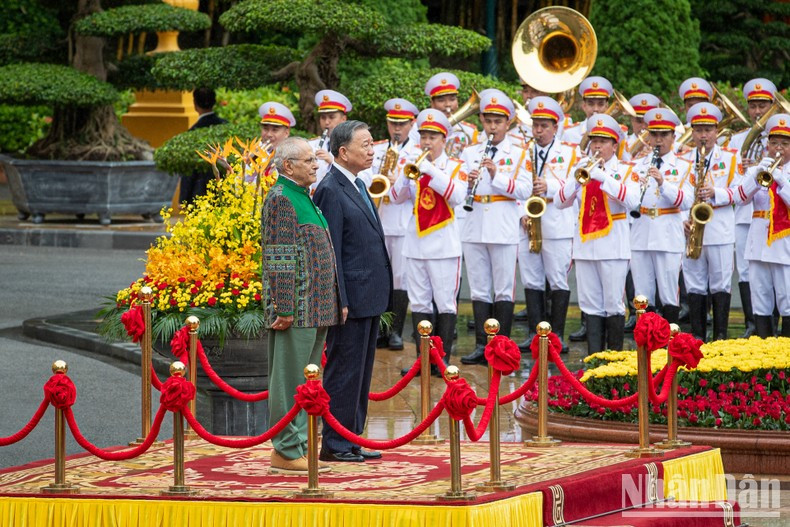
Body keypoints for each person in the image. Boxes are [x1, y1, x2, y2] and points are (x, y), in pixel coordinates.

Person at [313, 121, 393, 463]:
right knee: (344, 371)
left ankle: (351, 436)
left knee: (360, 373)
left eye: (372, 143)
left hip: (369, 294)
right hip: (351, 298)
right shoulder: (332, 188)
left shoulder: (357, 184)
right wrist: (339, 298)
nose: (372, 149)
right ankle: (335, 442)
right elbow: (331, 251)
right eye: (365, 144)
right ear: (343, 152)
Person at [261, 137, 340, 475]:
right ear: (288, 165)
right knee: (289, 379)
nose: (315, 164)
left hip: (316, 306)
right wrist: (283, 306)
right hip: (297, 308)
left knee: (307, 381)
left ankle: (300, 446)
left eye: (314, 160)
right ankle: (285, 450)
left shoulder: (302, 197)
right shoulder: (281, 199)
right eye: (308, 160)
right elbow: (278, 256)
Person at [556, 114, 640, 354]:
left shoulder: (625, 170)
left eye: (603, 141)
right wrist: (576, 180)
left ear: (615, 145)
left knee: (613, 304)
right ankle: (594, 359)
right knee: (590, 305)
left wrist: (603, 178)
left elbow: (633, 201)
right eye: (594, 140)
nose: (597, 146)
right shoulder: (580, 168)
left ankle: (613, 360)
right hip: (585, 246)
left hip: (613, 246)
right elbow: (560, 202)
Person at [391, 108, 466, 372]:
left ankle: (442, 358)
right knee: (420, 302)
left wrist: (430, 170)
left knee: (445, 302)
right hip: (415, 243)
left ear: (443, 140)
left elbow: (457, 196)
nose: (426, 142)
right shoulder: (413, 165)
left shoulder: (455, 166)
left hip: (444, 245)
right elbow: (396, 197)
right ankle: (424, 358)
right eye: (423, 136)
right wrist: (405, 173)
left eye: (432, 137)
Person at [459, 89, 530, 366]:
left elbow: (524, 190)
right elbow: (457, 185)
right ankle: (481, 345)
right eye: (488, 120)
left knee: (503, 289)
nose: (492, 126)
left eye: (498, 121)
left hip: (503, 224)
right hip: (475, 222)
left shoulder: (520, 153)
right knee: (479, 288)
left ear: (508, 123)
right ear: (481, 120)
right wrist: (469, 182)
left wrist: (495, 175)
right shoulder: (468, 152)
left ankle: (501, 347)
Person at [516, 96, 579, 353]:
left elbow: (574, 186)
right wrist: (522, 211)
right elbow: (516, 187)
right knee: (531, 280)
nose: (538, 131)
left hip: (556, 223)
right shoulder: (524, 152)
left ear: (555, 127)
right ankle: (535, 334)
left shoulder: (569, 153)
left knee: (557, 280)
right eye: (535, 125)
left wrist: (549, 187)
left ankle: (557, 335)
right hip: (528, 224)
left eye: (544, 126)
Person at [679, 102, 743, 342]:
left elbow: (740, 193)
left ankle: (720, 339)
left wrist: (715, 192)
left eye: (708, 130)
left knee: (720, 284)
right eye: (698, 130)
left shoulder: (731, 158)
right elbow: (675, 195)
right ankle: (696, 338)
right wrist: (681, 221)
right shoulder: (683, 159)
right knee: (694, 285)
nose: (703, 135)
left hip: (719, 230)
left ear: (717, 131)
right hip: (692, 229)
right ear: (692, 132)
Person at [629, 108, 693, 324]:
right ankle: (645, 344)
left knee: (668, 293)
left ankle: (671, 343)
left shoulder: (684, 166)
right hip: (642, 232)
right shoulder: (638, 165)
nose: (658, 140)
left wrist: (663, 183)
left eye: (664, 135)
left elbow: (686, 201)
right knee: (642, 294)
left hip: (667, 234)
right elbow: (629, 198)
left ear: (673, 137)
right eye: (654, 135)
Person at [727, 78, 777, 338]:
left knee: (777, 270)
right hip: (746, 212)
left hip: (775, 214)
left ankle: (774, 322)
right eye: (754, 106)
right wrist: (748, 171)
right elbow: (732, 179)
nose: (758, 111)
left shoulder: (781, 138)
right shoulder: (737, 140)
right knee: (747, 271)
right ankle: (751, 323)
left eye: (763, 105)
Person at [734, 113, 790, 337]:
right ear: (767, 145)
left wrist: (782, 180)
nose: (779, 148)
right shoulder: (758, 168)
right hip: (758, 243)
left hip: (784, 244)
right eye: (774, 143)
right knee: (760, 301)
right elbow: (740, 198)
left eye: (785, 144)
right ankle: (763, 353)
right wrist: (756, 175)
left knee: (787, 300)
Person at [370, 98, 419, 351]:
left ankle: (396, 331)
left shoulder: (417, 153)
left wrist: (397, 180)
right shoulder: (376, 149)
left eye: (402, 124)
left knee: (400, 278)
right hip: (379, 220)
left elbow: (421, 189)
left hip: (404, 221)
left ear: (412, 124)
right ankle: (380, 330)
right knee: (380, 277)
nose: (396, 129)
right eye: (392, 123)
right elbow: (365, 178)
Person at [179, 88, 228, 205]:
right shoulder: (227, 127)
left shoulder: (192, 132)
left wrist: (183, 199)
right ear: (214, 102)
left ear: (195, 104)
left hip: (200, 193)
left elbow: (189, 169)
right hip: (227, 191)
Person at [424, 72, 481, 156]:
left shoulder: (469, 131)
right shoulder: (420, 129)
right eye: (441, 100)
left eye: (452, 99)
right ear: (432, 103)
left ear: (457, 102)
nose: (448, 104)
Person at [309, 89, 352, 189]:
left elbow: (366, 180)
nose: (327, 122)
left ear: (343, 119)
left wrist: (332, 161)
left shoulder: (352, 145)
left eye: (331, 117)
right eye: (323, 117)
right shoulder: (311, 145)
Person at [247, 101, 296, 184]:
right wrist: (249, 165)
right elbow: (239, 184)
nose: (269, 134)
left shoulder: (294, 154)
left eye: (275, 130)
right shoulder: (254, 151)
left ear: (286, 132)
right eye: (265, 129)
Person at [623, 93, 661, 161]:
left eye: (647, 122)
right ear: (631, 120)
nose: (643, 126)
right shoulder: (623, 145)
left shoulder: (664, 145)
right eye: (639, 121)